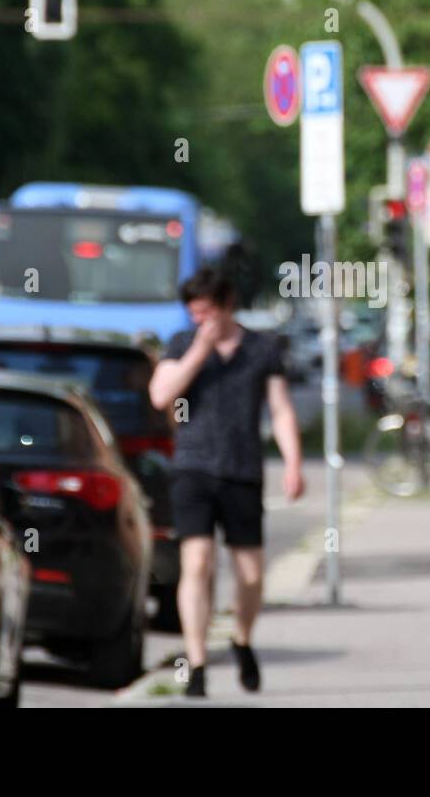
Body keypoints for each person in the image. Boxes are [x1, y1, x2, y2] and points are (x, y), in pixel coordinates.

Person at [148, 266, 304, 697]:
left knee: (251, 574)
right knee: (197, 563)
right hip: (193, 469)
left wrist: (293, 463)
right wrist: (199, 350)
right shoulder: (181, 344)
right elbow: (162, 396)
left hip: (242, 471)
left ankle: (242, 639)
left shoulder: (261, 349)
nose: (200, 321)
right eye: (193, 314)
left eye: (206, 313)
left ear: (227, 305)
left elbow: (282, 409)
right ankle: (197, 663)